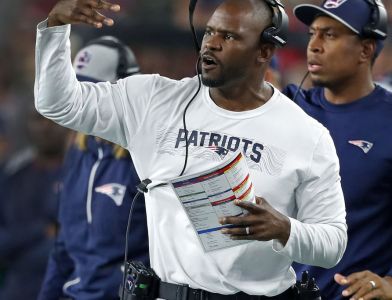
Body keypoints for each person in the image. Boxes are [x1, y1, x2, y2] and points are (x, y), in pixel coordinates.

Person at [34, 0, 348, 298]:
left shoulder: (307, 136)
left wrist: (283, 229)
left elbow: (333, 244)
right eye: (209, 31)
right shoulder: (153, 101)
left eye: (228, 36)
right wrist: (56, 26)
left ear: (263, 51)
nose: (210, 43)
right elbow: (58, 103)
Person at [284, 0, 392, 299]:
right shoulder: (289, 109)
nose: (314, 46)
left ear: (366, 49)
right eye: (313, 34)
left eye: (330, 35)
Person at [37, 36, 149, 300]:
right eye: (77, 92)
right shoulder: (79, 150)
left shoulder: (145, 157)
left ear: (124, 92)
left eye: (92, 92)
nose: (83, 102)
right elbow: (63, 247)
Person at [0, 108, 69, 299]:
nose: (45, 126)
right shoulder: (12, 177)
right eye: (38, 119)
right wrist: (41, 230)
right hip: (18, 288)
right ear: (28, 125)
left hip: (66, 288)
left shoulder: (81, 176)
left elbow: (73, 243)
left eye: (53, 119)